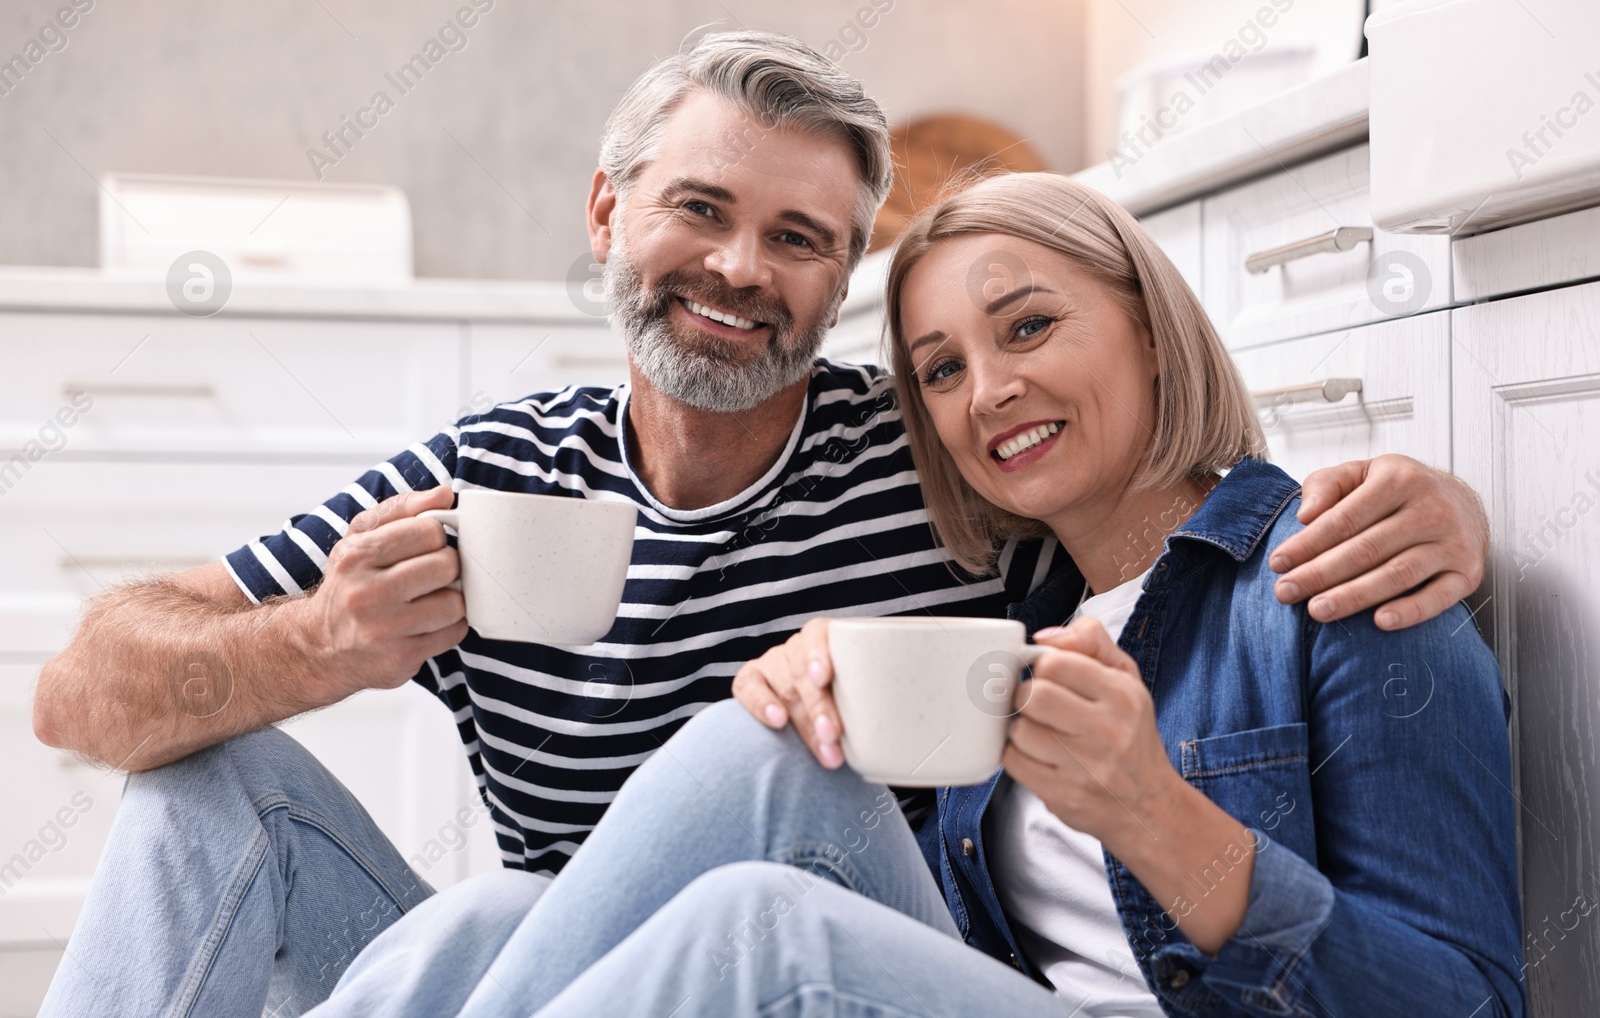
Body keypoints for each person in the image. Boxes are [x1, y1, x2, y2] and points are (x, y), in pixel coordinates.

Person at [32, 32, 1491, 1017]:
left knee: (747, 767)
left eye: (797, 237)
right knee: (209, 796)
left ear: (838, 276)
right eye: (700, 209)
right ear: (609, 213)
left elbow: (1175, 514)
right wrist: (325, 639)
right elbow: (79, 686)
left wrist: (1443, 498)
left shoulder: (946, 480)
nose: (741, 266)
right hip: (561, 965)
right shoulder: (489, 471)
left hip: (799, 950)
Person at [303, 172, 1522, 1018]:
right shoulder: (1019, 607)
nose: (987, 391)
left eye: (1029, 325)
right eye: (941, 369)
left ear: (1151, 329)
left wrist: (1155, 815)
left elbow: (1465, 999)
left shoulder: (1343, 571)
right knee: (519, 899)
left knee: (759, 928)